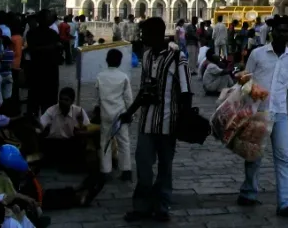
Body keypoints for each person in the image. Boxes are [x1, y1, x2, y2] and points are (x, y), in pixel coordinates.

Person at [120, 17, 192, 222]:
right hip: (147, 122)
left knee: (165, 168)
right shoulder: (148, 56)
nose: (142, 38)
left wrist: (184, 119)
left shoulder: (177, 58)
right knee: (143, 164)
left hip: (169, 122)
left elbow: (186, 91)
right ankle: (141, 206)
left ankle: (161, 206)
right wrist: (130, 111)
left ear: (156, 34)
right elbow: (144, 89)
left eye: (145, 34)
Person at [241, 15, 288, 217]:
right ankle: (249, 191)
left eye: (286, 31)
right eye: (279, 31)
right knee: (253, 156)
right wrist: (249, 95)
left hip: (279, 114)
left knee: (283, 157)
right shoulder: (258, 54)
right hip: (258, 112)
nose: (283, 35)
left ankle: (286, 203)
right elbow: (245, 80)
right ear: (272, 33)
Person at [95, 48, 132, 180]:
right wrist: (130, 113)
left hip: (105, 114)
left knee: (105, 142)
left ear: (106, 60)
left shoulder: (100, 76)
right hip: (120, 114)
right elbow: (128, 98)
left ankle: (105, 170)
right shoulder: (123, 77)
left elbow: (98, 98)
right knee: (124, 142)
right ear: (120, 62)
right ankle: (126, 169)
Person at [38, 87, 91, 166]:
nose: (62, 102)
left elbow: (88, 129)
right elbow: (40, 126)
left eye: (66, 100)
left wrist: (81, 131)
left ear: (72, 101)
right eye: (61, 99)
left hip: (71, 144)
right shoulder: (52, 110)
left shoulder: (79, 111)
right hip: (54, 144)